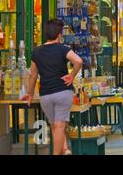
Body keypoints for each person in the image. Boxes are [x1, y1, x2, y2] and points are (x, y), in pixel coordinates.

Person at [27, 19, 83, 155]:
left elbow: (33, 76)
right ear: (59, 35)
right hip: (63, 92)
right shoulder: (63, 49)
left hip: (45, 94)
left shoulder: (36, 52)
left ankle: (65, 149)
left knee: (55, 125)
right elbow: (78, 61)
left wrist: (29, 95)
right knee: (59, 125)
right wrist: (72, 75)